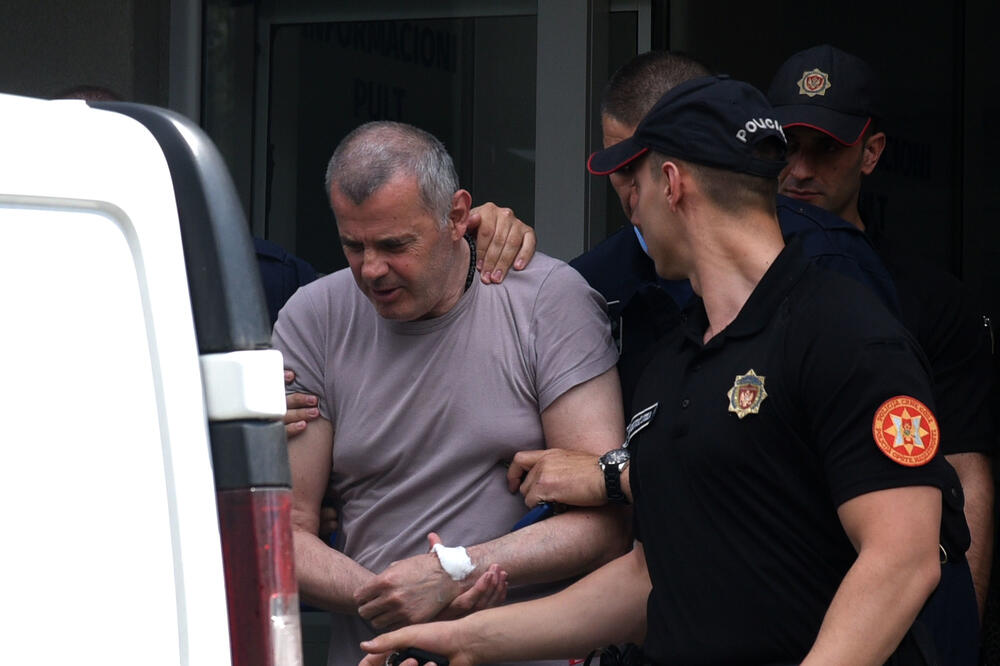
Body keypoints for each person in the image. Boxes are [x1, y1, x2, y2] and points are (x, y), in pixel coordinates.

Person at [359, 75, 969, 666]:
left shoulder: (844, 331)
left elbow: (902, 559)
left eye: (635, 180)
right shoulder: (674, 361)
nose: (630, 205)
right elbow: (648, 582)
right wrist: (462, 641)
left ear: (672, 184)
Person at [271, 120, 629, 665]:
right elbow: (283, 531)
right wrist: (393, 599)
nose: (372, 270)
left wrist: (456, 571)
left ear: (458, 216)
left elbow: (605, 523)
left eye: (395, 245)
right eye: (352, 245)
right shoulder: (313, 318)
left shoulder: (548, 302)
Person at [766, 44, 994, 624]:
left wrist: (960, 630)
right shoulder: (713, 287)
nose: (800, 170)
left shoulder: (928, 297)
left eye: (827, 148)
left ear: (870, 153)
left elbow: (965, 471)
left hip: (884, 602)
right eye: (787, 146)